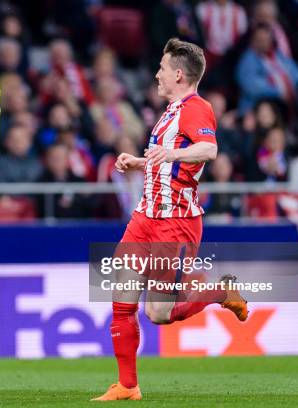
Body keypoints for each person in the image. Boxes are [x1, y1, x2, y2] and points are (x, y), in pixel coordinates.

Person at [91, 38, 248, 402]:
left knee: (159, 313)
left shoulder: (196, 108)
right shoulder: (168, 112)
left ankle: (220, 292)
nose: (157, 74)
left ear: (178, 74)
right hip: (145, 216)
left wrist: (170, 153)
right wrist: (140, 162)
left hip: (174, 224)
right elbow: (170, 163)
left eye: (162, 69)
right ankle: (127, 386)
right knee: (121, 295)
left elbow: (208, 149)